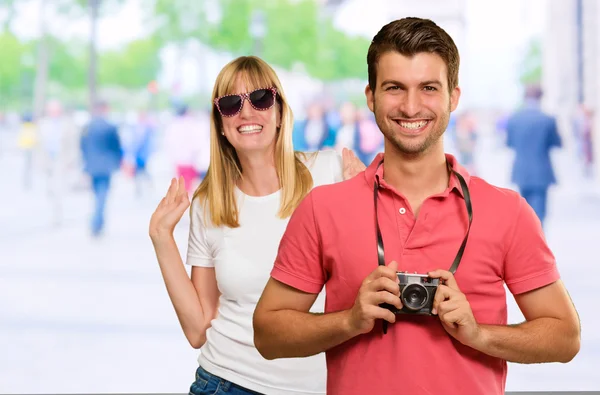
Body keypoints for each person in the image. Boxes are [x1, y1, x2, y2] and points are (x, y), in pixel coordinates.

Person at [253, 17, 581, 395]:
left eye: (428, 88)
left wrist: (479, 335)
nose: (411, 107)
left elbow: (565, 337)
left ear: (453, 97)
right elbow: (268, 335)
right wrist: (349, 321)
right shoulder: (322, 208)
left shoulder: (507, 211)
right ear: (371, 96)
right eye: (394, 88)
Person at [149, 56, 365, 395]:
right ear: (221, 124)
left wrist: (361, 207)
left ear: (279, 112)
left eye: (261, 98)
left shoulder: (333, 172)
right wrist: (161, 237)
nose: (247, 112)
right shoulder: (209, 204)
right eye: (232, 104)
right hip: (227, 381)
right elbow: (197, 329)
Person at [506, 85, 562, 228]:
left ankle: (528, 243)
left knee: (525, 212)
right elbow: (557, 143)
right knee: (539, 214)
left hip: (522, 171)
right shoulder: (547, 119)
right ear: (541, 97)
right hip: (541, 171)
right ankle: (537, 244)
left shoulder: (514, 119)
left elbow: (509, 143)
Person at [80, 100, 123, 236]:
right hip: (106, 166)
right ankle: (97, 222)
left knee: (97, 194)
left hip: (92, 166)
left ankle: (97, 220)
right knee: (102, 195)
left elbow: (82, 146)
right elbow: (116, 147)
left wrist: (86, 164)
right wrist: (118, 162)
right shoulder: (110, 127)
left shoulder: (88, 126)